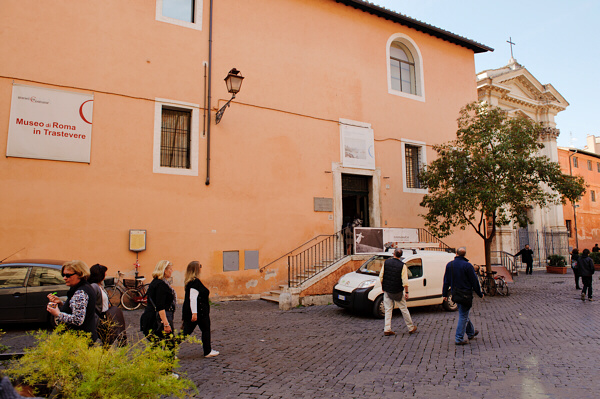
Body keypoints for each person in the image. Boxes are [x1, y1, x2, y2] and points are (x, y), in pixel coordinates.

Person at [47, 260, 98, 341]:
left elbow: (77, 320)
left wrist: (57, 313)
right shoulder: (83, 287)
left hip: (79, 340)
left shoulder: (80, 292)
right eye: (63, 275)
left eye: (68, 275)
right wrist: (60, 303)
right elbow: (77, 308)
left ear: (80, 274)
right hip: (83, 337)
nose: (64, 278)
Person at [442, 248, 483, 345]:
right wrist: (480, 293)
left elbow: (446, 280)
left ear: (456, 253)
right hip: (465, 294)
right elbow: (474, 281)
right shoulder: (467, 266)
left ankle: (471, 332)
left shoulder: (450, 265)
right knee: (463, 315)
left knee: (464, 314)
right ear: (464, 255)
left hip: (455, 293)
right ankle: (459, 338)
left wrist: (444, 294)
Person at [182, 261, 219, 358]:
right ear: (196, 269)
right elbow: (193, 298)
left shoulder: (191, 282)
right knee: (187, 332)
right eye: (200, 267)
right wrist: (194, 313)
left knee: (197, 330)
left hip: (199, 312)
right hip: (199, 312)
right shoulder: (194, 282)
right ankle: (207, 351)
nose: (201, 269)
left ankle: (208, 350)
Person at [379, 249, 417, 336]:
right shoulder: (402, 266)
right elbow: (405, 281)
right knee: (404, 309)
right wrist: (407, 292)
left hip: (387, 289)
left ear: (393, 254)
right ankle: (410, 327)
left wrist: (383, 287)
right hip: (397, 291)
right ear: (400, 256)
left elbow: (381, 276)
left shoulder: (386, 263)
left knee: (388, 309)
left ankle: (387, 328)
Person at [89, 264, 127, 346]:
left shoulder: (100, 286)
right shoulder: (94, 287)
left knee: (108, 340)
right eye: (104, 273)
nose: (106, 274)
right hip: (99, 318)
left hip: (106, 316)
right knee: (104, 340)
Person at [141, 260, 177, 339]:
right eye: (170, 269)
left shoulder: (156, 282)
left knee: (159, 345)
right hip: (156, 320)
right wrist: (166, 324)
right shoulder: (161, 285)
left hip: (152, 318)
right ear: (164, 270)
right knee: (169, 344)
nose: (172, 271)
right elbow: (160, 306)